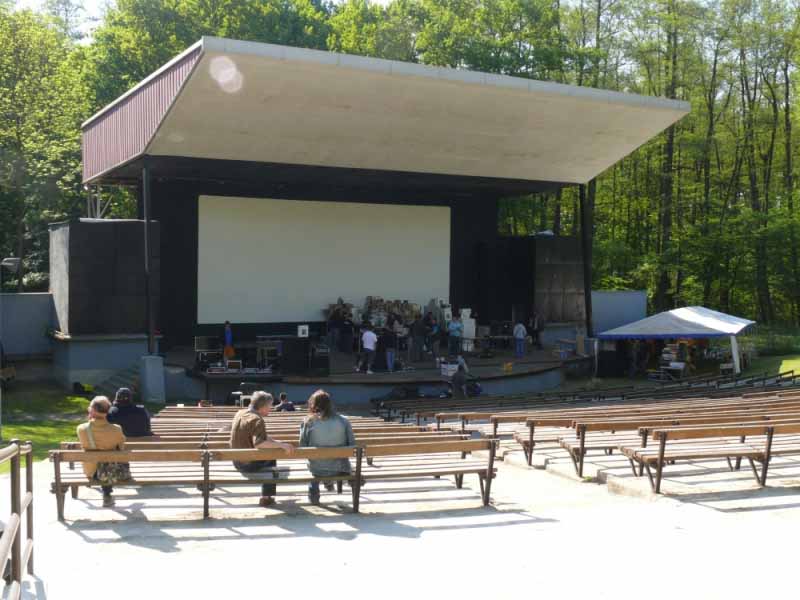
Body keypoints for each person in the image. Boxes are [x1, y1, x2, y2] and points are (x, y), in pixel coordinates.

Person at [229, 391, 294, 507]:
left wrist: (278, 443)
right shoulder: (257, 420)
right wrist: (281, 446)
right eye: (270, 406)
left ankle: (267, 495)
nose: (271, 408)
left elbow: (259, 436)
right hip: (247, 464)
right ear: (263, 406)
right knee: (272, 454)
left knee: (271, 449)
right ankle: (266, 497)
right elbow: (259, 443)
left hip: (236, 460)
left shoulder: (240, 413)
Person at [298, 390, 355, 505]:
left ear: (313, 404)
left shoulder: (308, 422)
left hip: (317, 467)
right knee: (337, 463)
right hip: (340, 466)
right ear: (330, 404)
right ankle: (328, 482)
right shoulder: (344, 421)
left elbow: (302, 445)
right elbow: (351, 445)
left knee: (317, 466)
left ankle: (315, 490)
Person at [77, 396, 126, 507]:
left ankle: (106, 494)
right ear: (107, 411)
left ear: (92, 410)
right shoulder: (116, 429)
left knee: (100, 462)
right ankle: (107, 494)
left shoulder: (81, 428)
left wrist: (90, 418)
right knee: (108, 461)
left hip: (91, 472)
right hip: (110, 471)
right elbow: (121, 447)